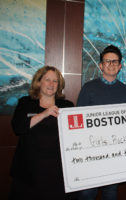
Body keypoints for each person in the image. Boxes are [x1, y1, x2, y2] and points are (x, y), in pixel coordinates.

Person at [9, 66, 76, 200]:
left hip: (58, 172)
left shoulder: (67, 106)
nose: (51, 84)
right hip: (29, 171)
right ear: (39, 82)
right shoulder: (25, 103)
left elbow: (75, 134)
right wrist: (45, 113)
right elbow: (18, 128)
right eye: (47, 80)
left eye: (55, 81)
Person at [77, 45, 126, 200]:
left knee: (110, 192)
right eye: (107, 61)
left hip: (115, 152)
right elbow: (79, 120)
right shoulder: (88, 88)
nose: (111, 64)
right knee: (87, 193)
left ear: (120, 66)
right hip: (91, 152)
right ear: (101, 65)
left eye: (115, 61)